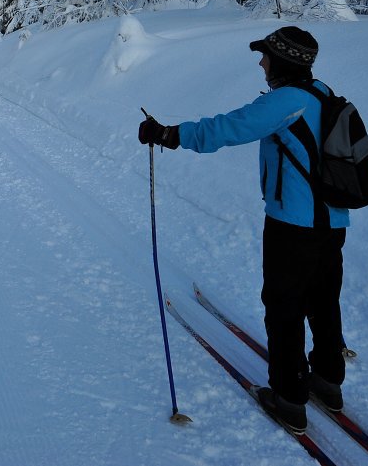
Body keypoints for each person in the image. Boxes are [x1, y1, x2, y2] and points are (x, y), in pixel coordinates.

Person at [137, 26, 348, 435]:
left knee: (284, 307)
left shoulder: (288, 100)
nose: (261, 62)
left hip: (293, 225)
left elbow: (228, 128)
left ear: (283, 61)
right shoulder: (323, 92)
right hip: (332, 223)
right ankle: (328, 381)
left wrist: (167, 135)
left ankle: (289, 399)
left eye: (266, 55)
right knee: (324, 302)